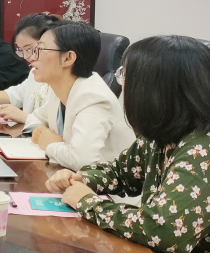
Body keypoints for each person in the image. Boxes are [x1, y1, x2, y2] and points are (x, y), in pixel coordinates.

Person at [47, 36, 210, 253]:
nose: (122, 83)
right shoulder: (163, 134)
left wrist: (88, 202)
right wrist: (83, 179)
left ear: (157, 89)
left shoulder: (206, 149)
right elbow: (121, 172)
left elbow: (164, 229)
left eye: (126, 75)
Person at [24, 21, 135, 171]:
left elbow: (82, 160)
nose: (32, 57)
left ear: (68, 58)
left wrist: (50, 144)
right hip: (71, 177)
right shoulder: (61, 88)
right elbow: (35, 116)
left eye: (40, 50)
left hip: (109, 185)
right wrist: (39, 130)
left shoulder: (94, 97)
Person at [0, 13, 59, 123]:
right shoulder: (35, 73)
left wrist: (24, 117)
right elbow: (16, 93)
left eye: (29, 49)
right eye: (22, 51)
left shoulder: (62, 82)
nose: (27, 57)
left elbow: (54, 125)